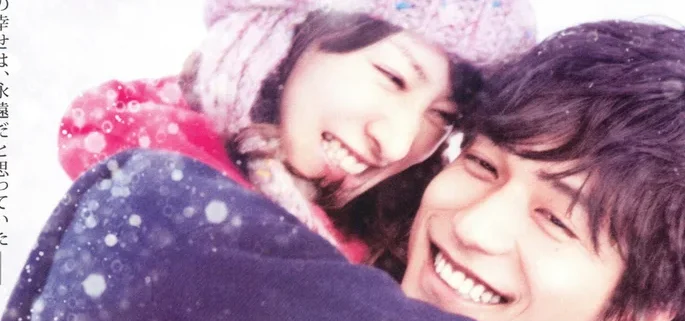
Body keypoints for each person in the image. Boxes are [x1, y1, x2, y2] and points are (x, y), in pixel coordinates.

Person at [0, 20, 685, 321]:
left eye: (556, 220)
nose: (474, 225)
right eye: (480, 164)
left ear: (639, 314)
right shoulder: (180, 217)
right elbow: (153, 231)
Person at [57, 0, 536, 263]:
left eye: (441, 117)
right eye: (392, 77)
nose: (395, 144)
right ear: (290, 36)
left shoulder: (393, 242)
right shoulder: (161, 204)